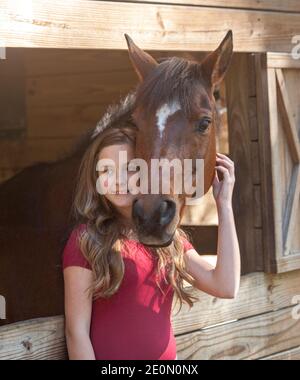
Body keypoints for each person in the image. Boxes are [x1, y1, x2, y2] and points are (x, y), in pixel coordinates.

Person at [62, 125, 240, 360]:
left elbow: (225, 286)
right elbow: (76, 332)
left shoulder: (167, 238)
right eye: (106, 171)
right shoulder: (87, 240)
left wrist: (224, 204)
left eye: (129, 169)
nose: (117, 180)